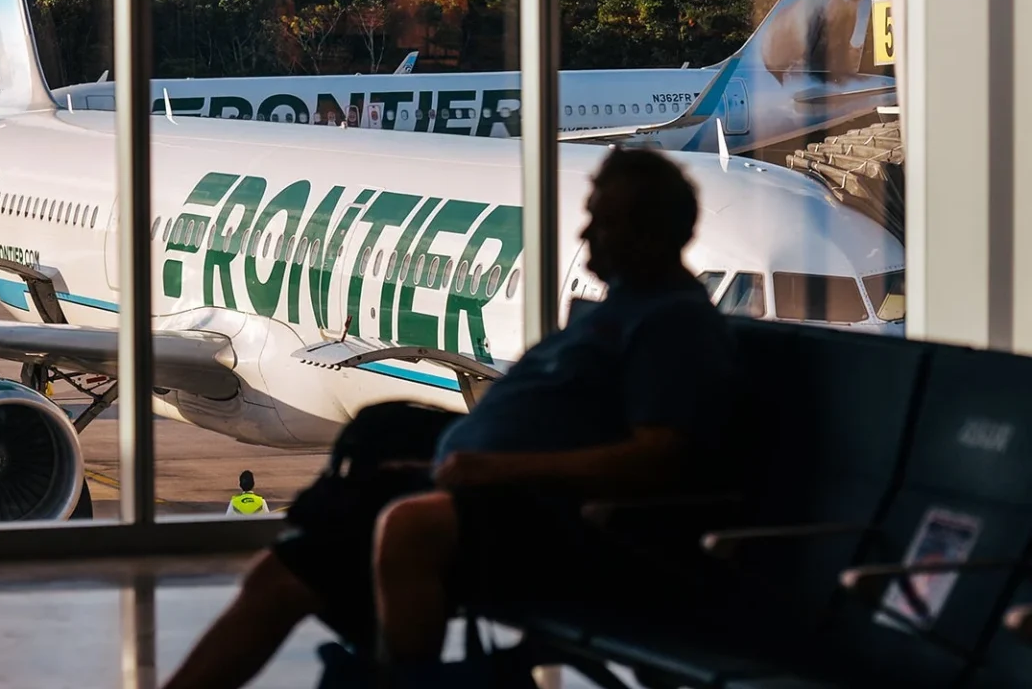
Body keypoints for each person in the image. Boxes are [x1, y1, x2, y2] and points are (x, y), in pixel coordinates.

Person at [160, 147, 741, 689]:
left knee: (402, 527)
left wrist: (498, 471)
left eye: (603, 221)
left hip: (553, 521)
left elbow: (659, 457)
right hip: (501, 494)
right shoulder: (623, 309)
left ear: (651, 236)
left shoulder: (673, 326)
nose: (587, 232)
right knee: (283, 569)